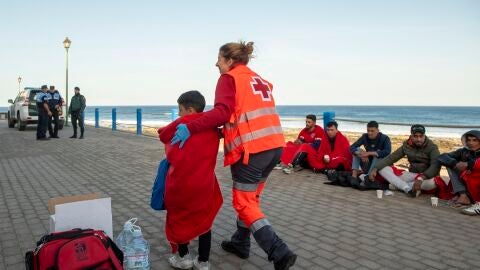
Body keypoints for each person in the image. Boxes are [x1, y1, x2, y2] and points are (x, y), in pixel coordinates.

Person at [170, 41, 297, 270]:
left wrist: (193, 126)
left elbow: (222, 112)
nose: (216, 64)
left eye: (219, 59)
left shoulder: (229, 79)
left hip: (252, 151)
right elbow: (241, 116)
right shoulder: (258, 80)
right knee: (252, 199)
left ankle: (278, 251)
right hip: (274, 145)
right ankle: (240, 242)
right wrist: (219, 131)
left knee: (244, 203)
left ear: (229, 60)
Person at [158, 91, 223, 269]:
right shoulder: (212, 128)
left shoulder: (181, 123)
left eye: (180, 109)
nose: (178, 114)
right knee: (205, 219)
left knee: (178, 218)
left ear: (191, 110)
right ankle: (203, 261)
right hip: (204, 184)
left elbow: (163, 135)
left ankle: (184, 257)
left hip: (180, 184)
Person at [370, 124, 442, 197]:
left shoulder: (432, 147)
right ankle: (407, 188)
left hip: (426, 178)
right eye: (415, 136)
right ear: (411, 136)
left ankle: (397, 185)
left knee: (433, 183)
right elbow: (391, 158)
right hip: (412, 176)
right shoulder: (407, 145)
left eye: (421, 136)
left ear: (424, 135)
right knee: (383, 169)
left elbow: (435, 166)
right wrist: (375, 168)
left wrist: (421, 178)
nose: (418, 139)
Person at [437, 130, 480, 215]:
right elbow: (442, 156)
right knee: (450, 166)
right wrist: (455, 163)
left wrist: (468, 165)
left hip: (477, 183)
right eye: (469, 140)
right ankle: (463, 195)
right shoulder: (463, 151)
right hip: (466, 184)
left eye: (475, 140)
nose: (471, 143)